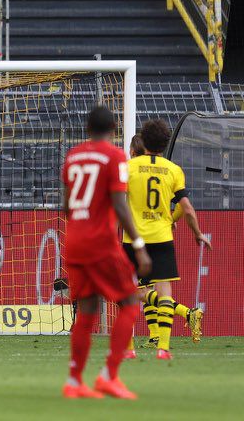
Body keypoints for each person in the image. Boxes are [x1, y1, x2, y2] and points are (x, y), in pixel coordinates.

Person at [60, 106, 151, 399]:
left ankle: (74, 382)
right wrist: (138, 245)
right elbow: (120, 204)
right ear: (114, 127)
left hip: (74, 241)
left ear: (87, 128)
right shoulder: (114, 156)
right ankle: (109, 375)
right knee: (129, 301)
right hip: (100, 243)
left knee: (87, 311)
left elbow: (65, 206)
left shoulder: (73, 156)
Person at [122, 119, 211, 358]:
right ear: (165, 143)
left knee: (127, 291)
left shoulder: (128, 168)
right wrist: (197, 233)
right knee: (164, 292)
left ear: (143, 140)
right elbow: (188, 208)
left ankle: (128, 349)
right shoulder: (173, 170)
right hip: (161, 237)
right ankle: (162, 348)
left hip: (133, 238)